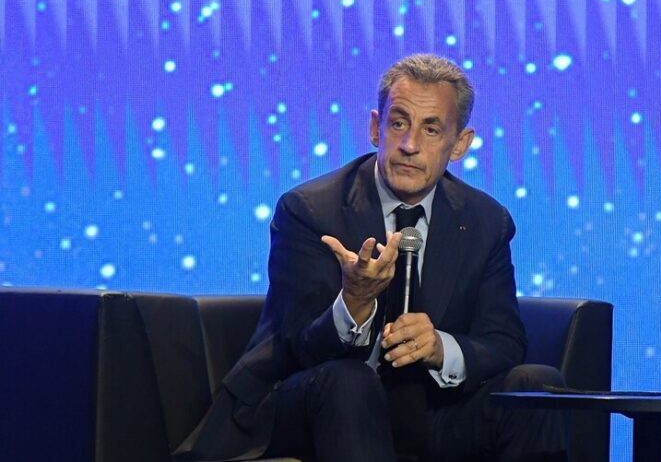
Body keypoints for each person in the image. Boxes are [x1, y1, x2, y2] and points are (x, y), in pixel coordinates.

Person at [176, 54, 568, 461]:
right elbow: (300, 347)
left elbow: (504, 343)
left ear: (460, 144)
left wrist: (441, 348)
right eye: (398, 124)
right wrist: (355, 302)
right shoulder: (311, 210)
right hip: (311, 406)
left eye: (431, 129)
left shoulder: (486, 221)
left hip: (431, 413)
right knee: (350, 381)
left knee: (536, 383)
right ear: (375, 128)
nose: (409, 145)